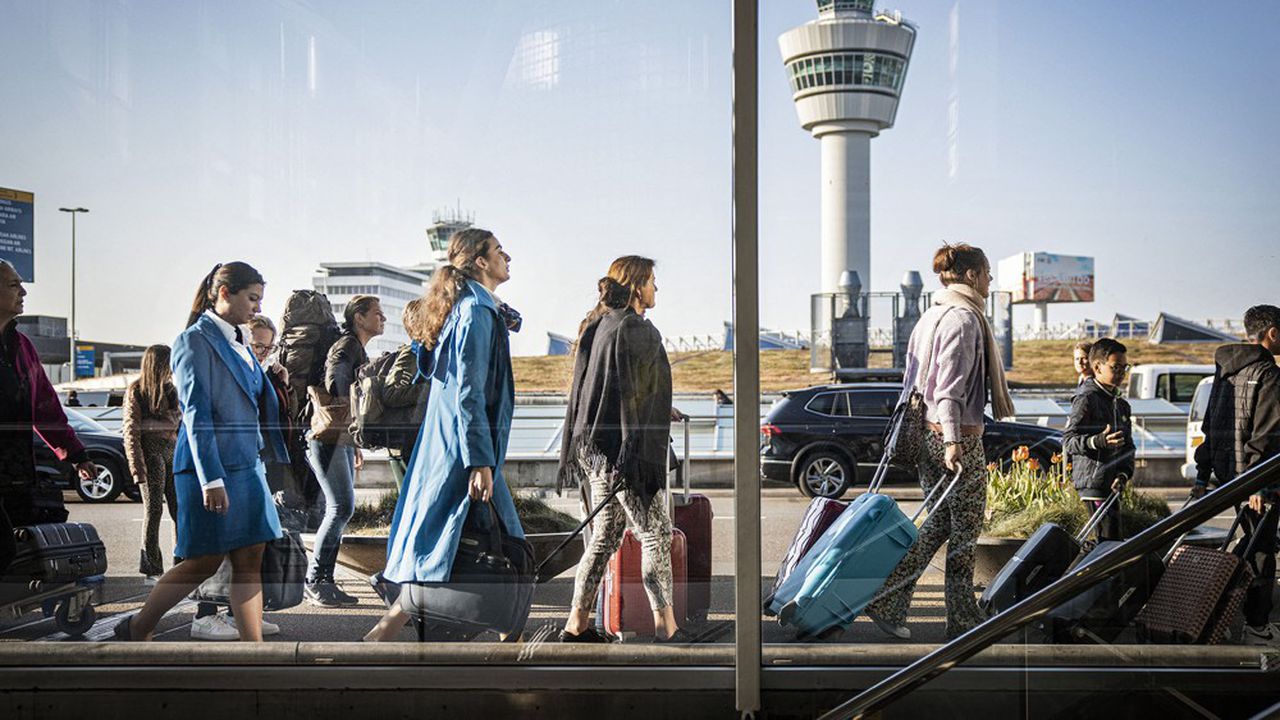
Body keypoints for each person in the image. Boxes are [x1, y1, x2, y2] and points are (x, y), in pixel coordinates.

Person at [112, 261, 290, 642]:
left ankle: (253, 649)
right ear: (224, 293)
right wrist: (211, 478)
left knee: (250, 559)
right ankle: (140, 627)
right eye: (252, 298)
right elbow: (197, 413)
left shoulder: (240, 342)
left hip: (246, 466)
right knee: (203, 561)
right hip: (209, 469)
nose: (257, 307)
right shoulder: (193, 340)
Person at [367, 228, 523, 642]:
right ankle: (513, 646)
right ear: (480, 262)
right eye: (499, 250)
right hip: (466, 451)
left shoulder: (464, 308)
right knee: (506, 547)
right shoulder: (474, 312)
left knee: (447, 544)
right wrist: (480, 461)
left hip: (452, 447)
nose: (508, 257)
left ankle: (382, 635)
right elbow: (469, 392)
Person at [864, 242, 1015, 641]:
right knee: (965, 529)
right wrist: (953, 443)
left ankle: (888, 599)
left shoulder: (930, 315)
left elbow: (912, 382)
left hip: (925, 433)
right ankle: (963, 618)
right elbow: (948, 391)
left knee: (935, 524)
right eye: (986, 272)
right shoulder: (964, 320)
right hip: (955, 438)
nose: (990, 280)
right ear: (970, 275)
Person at [557, 255, 692, 644]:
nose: (656, 289)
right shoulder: (638, 330)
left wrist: (660, 407)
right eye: (652, 281)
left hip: (599, 449)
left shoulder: (599, 325)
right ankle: (667, 627)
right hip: (628, 454)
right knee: (654, 533)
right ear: (637, 287)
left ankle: (576, 623)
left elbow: (613, 390)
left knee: (605, 537)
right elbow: (635, 397)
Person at [0, 260, 97, 576]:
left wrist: (77, 455)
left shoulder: (22, 346)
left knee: (20, 545)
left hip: (15, 471)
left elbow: (45, 408)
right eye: (14, 284)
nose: (23, 291)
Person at [1193, 304, 1280, 645]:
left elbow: (1210, 425)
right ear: (1272, 333)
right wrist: (1261, 482)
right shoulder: (1269, 374)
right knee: (1260, 551)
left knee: (1256, 544)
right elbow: (1268, 433)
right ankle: (1256, 626)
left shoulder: (1225, 370)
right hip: (1259, 482)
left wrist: (1202, 475)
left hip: (1231, 478)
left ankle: (1249, 619)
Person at [304, 295, 384, 607]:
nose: (383, 319)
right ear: (359, 317)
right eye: (377, 314)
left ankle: (325, 580)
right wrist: (353, 406)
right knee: (340, 507)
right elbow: (335, 379)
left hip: (338, 438)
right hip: (325, 438)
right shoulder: (348, 344)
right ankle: (316, 580)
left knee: (340, 508)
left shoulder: (356, 347)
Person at [1062, 337, 1135, 542]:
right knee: (1105, 545)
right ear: (1097, 367)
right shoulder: (1086, 398)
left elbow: (1128, 446)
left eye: (1124, 367)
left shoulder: (1121, 404)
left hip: (1112, 484)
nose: (1121, 373)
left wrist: (1124, 473)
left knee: (1110, 544)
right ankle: (1073, 574)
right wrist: (1098, 441)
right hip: (1092, 485)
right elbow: (1068, 440)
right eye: (1115, 367)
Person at [121, 344, 181, 581]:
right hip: (150, 454)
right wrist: (137, 468)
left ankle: (181, 561)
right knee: (154, 510)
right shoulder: (136, 390)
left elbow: (181, 424)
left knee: (180, 511)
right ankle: (152, 568)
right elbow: (131, 431)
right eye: (169, 363)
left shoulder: (171, 389)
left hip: (172, 452)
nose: (172, 368)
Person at [382, 298, 431, 488]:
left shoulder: (428, 351)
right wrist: (431, 391)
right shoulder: (412, 353)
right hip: (411, 438)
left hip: (421, 436)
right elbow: (391, 393)